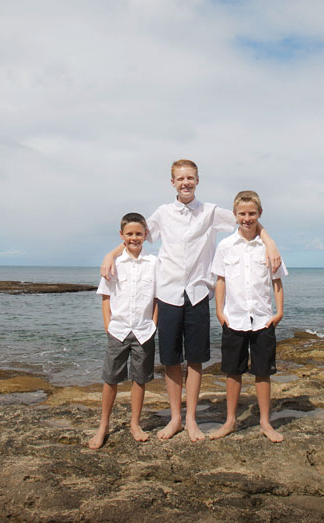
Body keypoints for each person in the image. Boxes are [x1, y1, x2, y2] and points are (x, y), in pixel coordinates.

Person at [100, 159, 281, 441]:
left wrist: (268, 241)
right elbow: (136, 235)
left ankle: (192, 419)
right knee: (171, 360)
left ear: (197, 180)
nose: (186, 183)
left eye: (190, 178)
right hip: (168, 292)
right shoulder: (162, 213)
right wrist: (110, 255)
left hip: (198, 293)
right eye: (180, 178)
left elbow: (247, 219)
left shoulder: (210, 212)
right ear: (172, 182)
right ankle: (175, 419)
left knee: (195, 360)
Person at [209, 190, 288, 443]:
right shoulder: (225, 246)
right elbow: (220, 280)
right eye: (242, 214)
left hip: (263, 318)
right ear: (234, 216)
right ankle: (230, 421)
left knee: (263, 372)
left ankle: (265, 422)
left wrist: (279, 312)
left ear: (259, 214)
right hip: (234, 318)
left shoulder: (269, 247)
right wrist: (219, 312)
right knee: (233, 371)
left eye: (252, 213)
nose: (247, 218)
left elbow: (277, 282)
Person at [89, 212, 158, 450]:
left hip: (144, 330)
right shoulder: (114, 263)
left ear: (146, 235)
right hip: (118, 330)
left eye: (139, 233)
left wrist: (154, 324)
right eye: (129, 234)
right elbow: (106, 296)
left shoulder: (154, 263)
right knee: (111, 379)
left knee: (140, 379)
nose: (134, 237)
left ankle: (135, 424)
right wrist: (108, 324)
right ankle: (103, 425)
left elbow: (157, 298)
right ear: (122, 236)